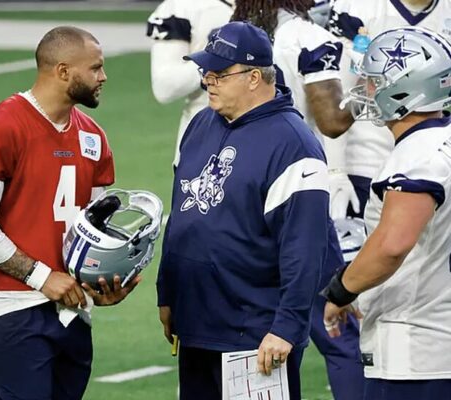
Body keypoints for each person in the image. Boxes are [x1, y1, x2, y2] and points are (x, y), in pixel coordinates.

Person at [0, 26, 140, 400]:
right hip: (13, 307)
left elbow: (92, 231)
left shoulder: (93, 136)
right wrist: (42, 277)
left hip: (73, 309)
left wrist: (99, 284)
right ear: (63, 71)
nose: (104, 76)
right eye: (96, 68)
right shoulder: (0, 127)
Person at [157, 21, 338, 400]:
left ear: (255, 77)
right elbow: (182, 213)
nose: (207, 80)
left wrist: (287, 326)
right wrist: (167, 292)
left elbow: (304, 248)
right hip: (197, 324)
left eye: (219, 73)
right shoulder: (201, 123)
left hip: (255, 335)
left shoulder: (294, 145)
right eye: (204, 70)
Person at [231, 2, 364, 399]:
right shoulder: (310, 37)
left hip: (243, 198)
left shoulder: (236, 38)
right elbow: (332, 121)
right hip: (296, 195)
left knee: (256, 330)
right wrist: (367, 87)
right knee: (337, 330)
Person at [322, 26, 451, 400]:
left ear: (404, 88)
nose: (364, 88)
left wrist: (342, 290)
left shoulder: (416, 158)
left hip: (417, 347)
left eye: (373, 80)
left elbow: (391, 246)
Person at [325, 0, 451, 219]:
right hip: (366, 161)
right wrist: (336, 170)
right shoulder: (358, 7)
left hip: (435, 163)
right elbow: (341, 95)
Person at [146, 0, 234, 166]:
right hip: (207, 143)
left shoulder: (288, 8)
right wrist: (215, 56)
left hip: (275, 136)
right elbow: (165, 87)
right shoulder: (185, 6)